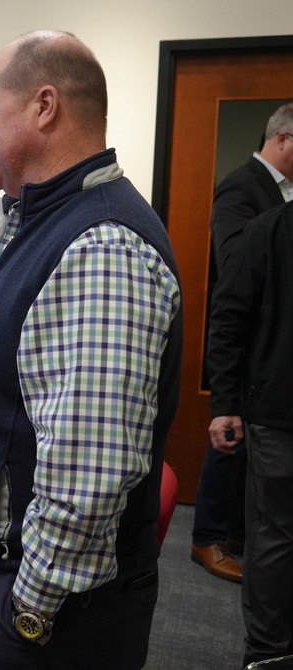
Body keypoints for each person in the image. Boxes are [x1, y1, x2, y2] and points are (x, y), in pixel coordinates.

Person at [0, 31, 183, 669]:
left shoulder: (101, 246)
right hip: (6, 581)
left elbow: (88, 477)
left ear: (44, 107)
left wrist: (30, 613)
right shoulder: (45, 219)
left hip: (46, 612)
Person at [192, 101, 293, 583]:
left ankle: (232, 530)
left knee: (249, 450)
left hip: (270, 346)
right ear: (283, 139)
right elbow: (234, 259)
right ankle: (206, 537)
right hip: (244, 340)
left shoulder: (283, 193)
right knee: (227, 439)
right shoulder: (241, 184)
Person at [207, 199, 293, 667]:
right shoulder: (269, 230)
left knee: (275, 537)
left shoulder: (268, 228)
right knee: (275, 537)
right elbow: (229, 319)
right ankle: (266, 655)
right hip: (278, 416)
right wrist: (224, 405)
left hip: (274, 411)